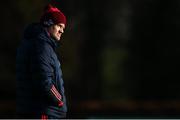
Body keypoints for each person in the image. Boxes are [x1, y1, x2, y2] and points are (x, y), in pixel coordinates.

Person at [16, 4, 67, 119]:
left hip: (38, 111)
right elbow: (44, 82)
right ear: (48, 24)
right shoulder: (42, 47)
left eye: (63, 28)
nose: (62, 31)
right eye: (59, 26)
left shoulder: (35, 43)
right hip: (44, 113)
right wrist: (60, 100)